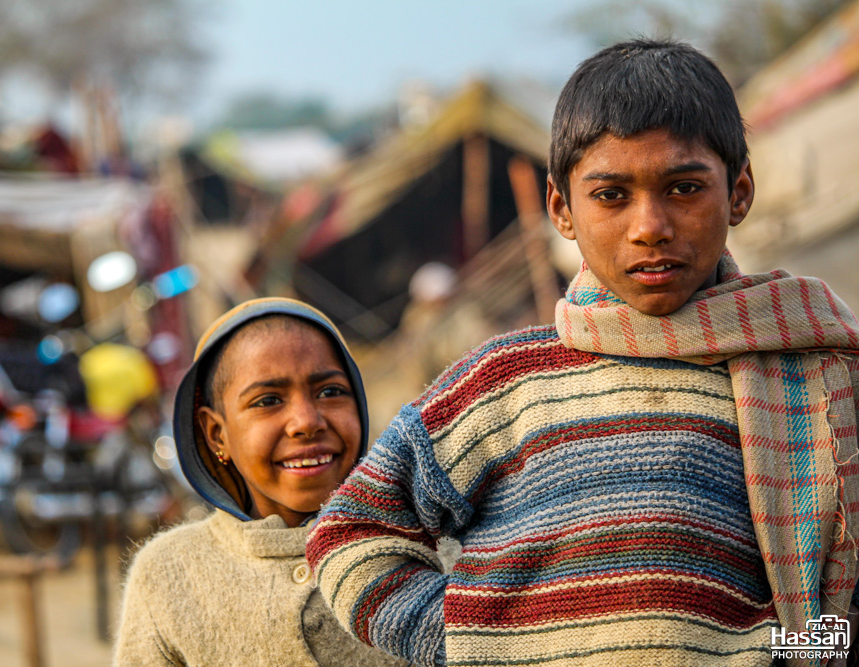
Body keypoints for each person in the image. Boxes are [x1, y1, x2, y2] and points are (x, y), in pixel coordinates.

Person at [306, 39, 859, 667]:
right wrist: (465, 639)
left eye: (683, 188)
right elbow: (352, 531)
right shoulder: (501, 383)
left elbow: (843, 616)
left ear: (738, 193)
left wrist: (773, 652)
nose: (650, 225)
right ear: (561, 209)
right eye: (611, 195)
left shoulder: (814, 374)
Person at [114, 298, 407, 666]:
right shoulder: (169, 574)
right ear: (217, 435)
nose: (306, 421)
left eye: (330, 392)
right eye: (268, 400)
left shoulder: (426, 549)